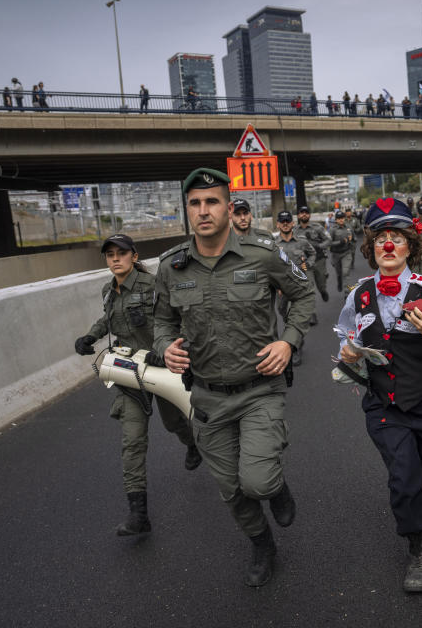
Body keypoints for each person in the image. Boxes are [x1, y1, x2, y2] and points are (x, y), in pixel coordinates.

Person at [154, 168, 315, 587]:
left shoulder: (262, 253)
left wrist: (289, 342)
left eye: (212, 202)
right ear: (186, 209)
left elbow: (303, 294)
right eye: (195, 203)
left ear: (229, 207)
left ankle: (274, 487)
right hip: (206, 398)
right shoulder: (171, 266)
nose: (204, 211)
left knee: (257, 480)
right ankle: (262, 544)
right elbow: (162, 322)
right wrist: (165, 347)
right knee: (231, 490)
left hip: (260, 387)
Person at [336, 198, 422, 592]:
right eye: (381, 238)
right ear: (372, 247)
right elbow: (347, 332)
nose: (388, 245)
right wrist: (349, 349)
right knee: (404, 476)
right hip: (385, 404)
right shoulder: (359, 295)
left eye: (397, 237)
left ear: (410, 246)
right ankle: (417, 548)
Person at [74, 234, 201, 537]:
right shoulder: (109, 291)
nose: (115, 259)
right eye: (109, 255)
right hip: (130, 373)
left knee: (174, 423)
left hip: (161, 368)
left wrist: (166, 348)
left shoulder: (152, 284)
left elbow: (172, 318)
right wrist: (89, 337)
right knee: (132, 441)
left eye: (121, 253)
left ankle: (192, 443)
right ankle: (138, 514)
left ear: (134, 256)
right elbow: (107, 320)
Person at [275, 210, 317, 356]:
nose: (285, 224)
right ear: (278, 224)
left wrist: (309, 265)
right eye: (282, 222)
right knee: (283, 312)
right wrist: (275, 285)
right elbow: (270, 266)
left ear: (293, 223)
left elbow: (312, 253)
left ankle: (296, 345)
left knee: (295, 318)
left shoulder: (302, 241)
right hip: (282, 287)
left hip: (299, 285)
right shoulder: (273, 245)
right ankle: (295, 335)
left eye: (288, 221)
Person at [294, 205, 332, 305]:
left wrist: (320, 246)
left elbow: (329, 239)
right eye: (302, 212)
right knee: (309, 288)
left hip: (319, 260)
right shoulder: (295, 231)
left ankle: (323, 291)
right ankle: (312, 314)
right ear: (298, 216)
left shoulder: (318, 227)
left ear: (309, 215)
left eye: (306, 212)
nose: (304, 214)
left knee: (321, 285)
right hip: (305, 263)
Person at [328, 210, 355, 299]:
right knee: (339, 274)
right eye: (339, 219)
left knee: (345, 272)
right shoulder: (332, 229)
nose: (341, 220)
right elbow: (329, 243)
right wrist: (341, 242)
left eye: (342, 218)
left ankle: (347, 293)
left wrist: (351, 243)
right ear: (336, 220)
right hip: (336, 255)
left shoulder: (349, 228)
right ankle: (339, 282)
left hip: (346, 253)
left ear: (344, 218)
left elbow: (354, 240)